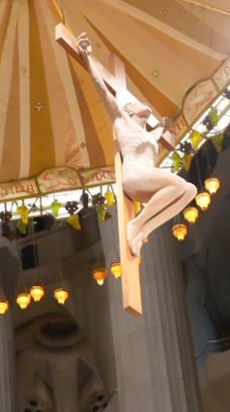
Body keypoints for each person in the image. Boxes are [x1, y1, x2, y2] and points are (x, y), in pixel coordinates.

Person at [56, 23, 197, 254]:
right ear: (129, 109)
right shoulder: (122, 119)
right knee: (178, 184)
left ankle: (142, 230)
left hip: (146, 179)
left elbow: (164, 134)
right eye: (133, 102)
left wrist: (165, 128)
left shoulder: (148, 133)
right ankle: (138, 224)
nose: (139, 102)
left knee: (189, 190)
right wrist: (88, 57)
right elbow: (102, 90)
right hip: (134, 176)